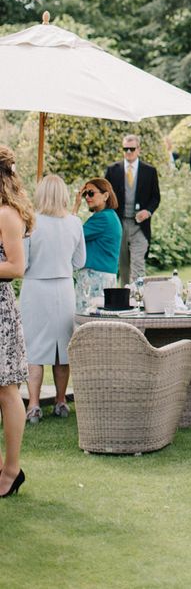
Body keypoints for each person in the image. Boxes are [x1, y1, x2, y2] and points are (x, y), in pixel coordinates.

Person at [21, 175, 85, 424]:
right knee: (62, 348)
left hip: (36, 289)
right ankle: (60, 401)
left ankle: (34, 405)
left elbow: (23, 263)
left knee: (35, 348)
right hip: (64, 288)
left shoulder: (31, 223)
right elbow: (79, 262)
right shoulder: (75, 222)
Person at [0, 145, 34, 497]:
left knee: (7, 391)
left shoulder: (8, 214)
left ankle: (11, 471)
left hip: (0, 311)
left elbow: (16, 267)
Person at [105, 134, 161, 285]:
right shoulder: (112, 170)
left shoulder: (149, 171)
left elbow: (156, 197)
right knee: (123, 266)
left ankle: (139, 297)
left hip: (140, 226)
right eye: (125, 149)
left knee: (138, 265)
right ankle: (125, 298)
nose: (128, 152)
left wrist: (147, 211)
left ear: (139, 150)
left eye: (132, 149)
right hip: (119, 224)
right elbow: (106, 196)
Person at [72, 177, 123, 308]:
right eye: (85, 194)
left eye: (91, 193)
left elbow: (72, 235)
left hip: (95, 278)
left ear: (105, 195)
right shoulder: (110, 216)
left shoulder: (103, 218)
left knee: (85, 322)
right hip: (103, 277)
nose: (87, 197)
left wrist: (75, 207)